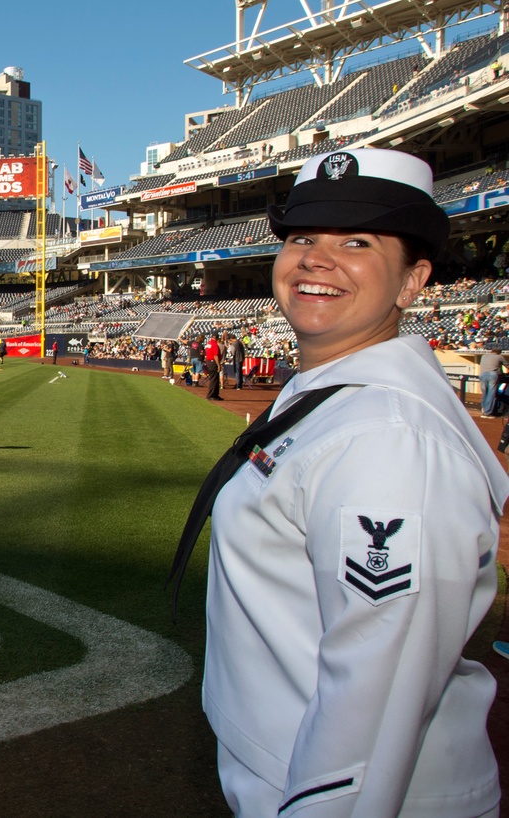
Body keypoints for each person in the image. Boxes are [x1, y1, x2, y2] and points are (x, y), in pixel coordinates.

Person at [182, 149, 508, 817]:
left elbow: (375, 699)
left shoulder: (388, 438)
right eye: (303, 238)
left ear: (413, 280)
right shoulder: (332, 395)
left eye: (356, 242)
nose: (315, 259)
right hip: (284, 765)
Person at [477, 347, 508, 418]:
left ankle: (484, 409)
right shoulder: (499, 357)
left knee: (485, 392)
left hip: (482, 374)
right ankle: (487, 413)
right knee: (491, 394)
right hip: (492, 374)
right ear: (499, 352)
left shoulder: (484, 356)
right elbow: (507, 365)